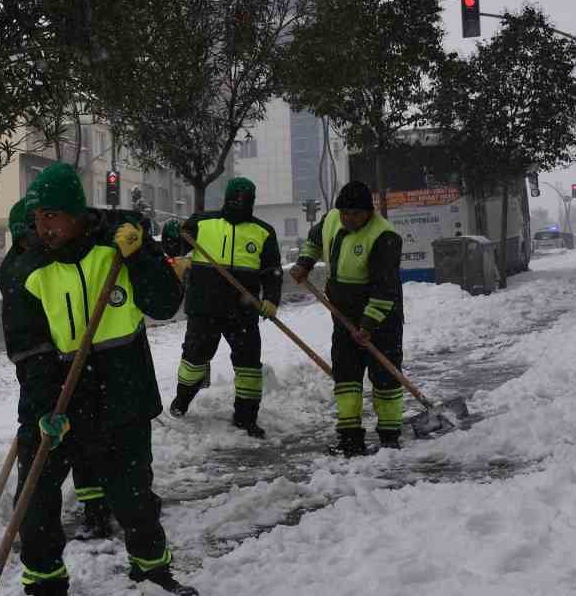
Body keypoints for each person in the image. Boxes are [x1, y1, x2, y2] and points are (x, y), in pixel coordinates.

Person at [5, 163, 194, 596]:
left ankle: (154, 573)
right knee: (37, 505)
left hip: (121, 393)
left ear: (76, 214)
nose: (44, 226)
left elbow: (164, 304)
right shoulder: (26, 267)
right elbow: (27, 348)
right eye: (38, 217)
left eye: (53, 217)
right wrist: (47, 407)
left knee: (134, 497)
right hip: (57, 400)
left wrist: (143, 257)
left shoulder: (118, 247)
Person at [0, 196, 111, 541]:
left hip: (80, 371)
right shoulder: (19, 270)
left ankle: (96, 509)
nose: (31, 242)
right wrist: (43, 395)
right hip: (43, 375)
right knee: (43, 454)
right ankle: (34, 527)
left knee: (87, 448)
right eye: (24, 236)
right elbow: (28, 343)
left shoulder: (60, 257)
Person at [289, 180, 404, 456]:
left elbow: (384, 288)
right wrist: (304, 263)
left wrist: (367, 326)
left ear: (368, 212)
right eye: (345, 213)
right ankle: (350, 438)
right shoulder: (331, 220)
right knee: (346, 377)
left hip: (381, 317)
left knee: (385, 375)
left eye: (355, 214)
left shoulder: (384, 237)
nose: (348, 219)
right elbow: (315, 241)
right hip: (343, 315)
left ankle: (389, 438)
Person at [167, 177, 282, 438]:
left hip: (243, 311)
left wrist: (272, 299)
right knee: (194, 359)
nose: (240, 205)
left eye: (245, 201)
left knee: (249, 366)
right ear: (227, 199)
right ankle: (182, 400)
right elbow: (174, 248)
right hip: (204, 307)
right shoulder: (201, 222)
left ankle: (246, 417)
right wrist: (172, 233)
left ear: (252, 202)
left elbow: (272, 270)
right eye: (235, 200)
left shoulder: (263, 232)